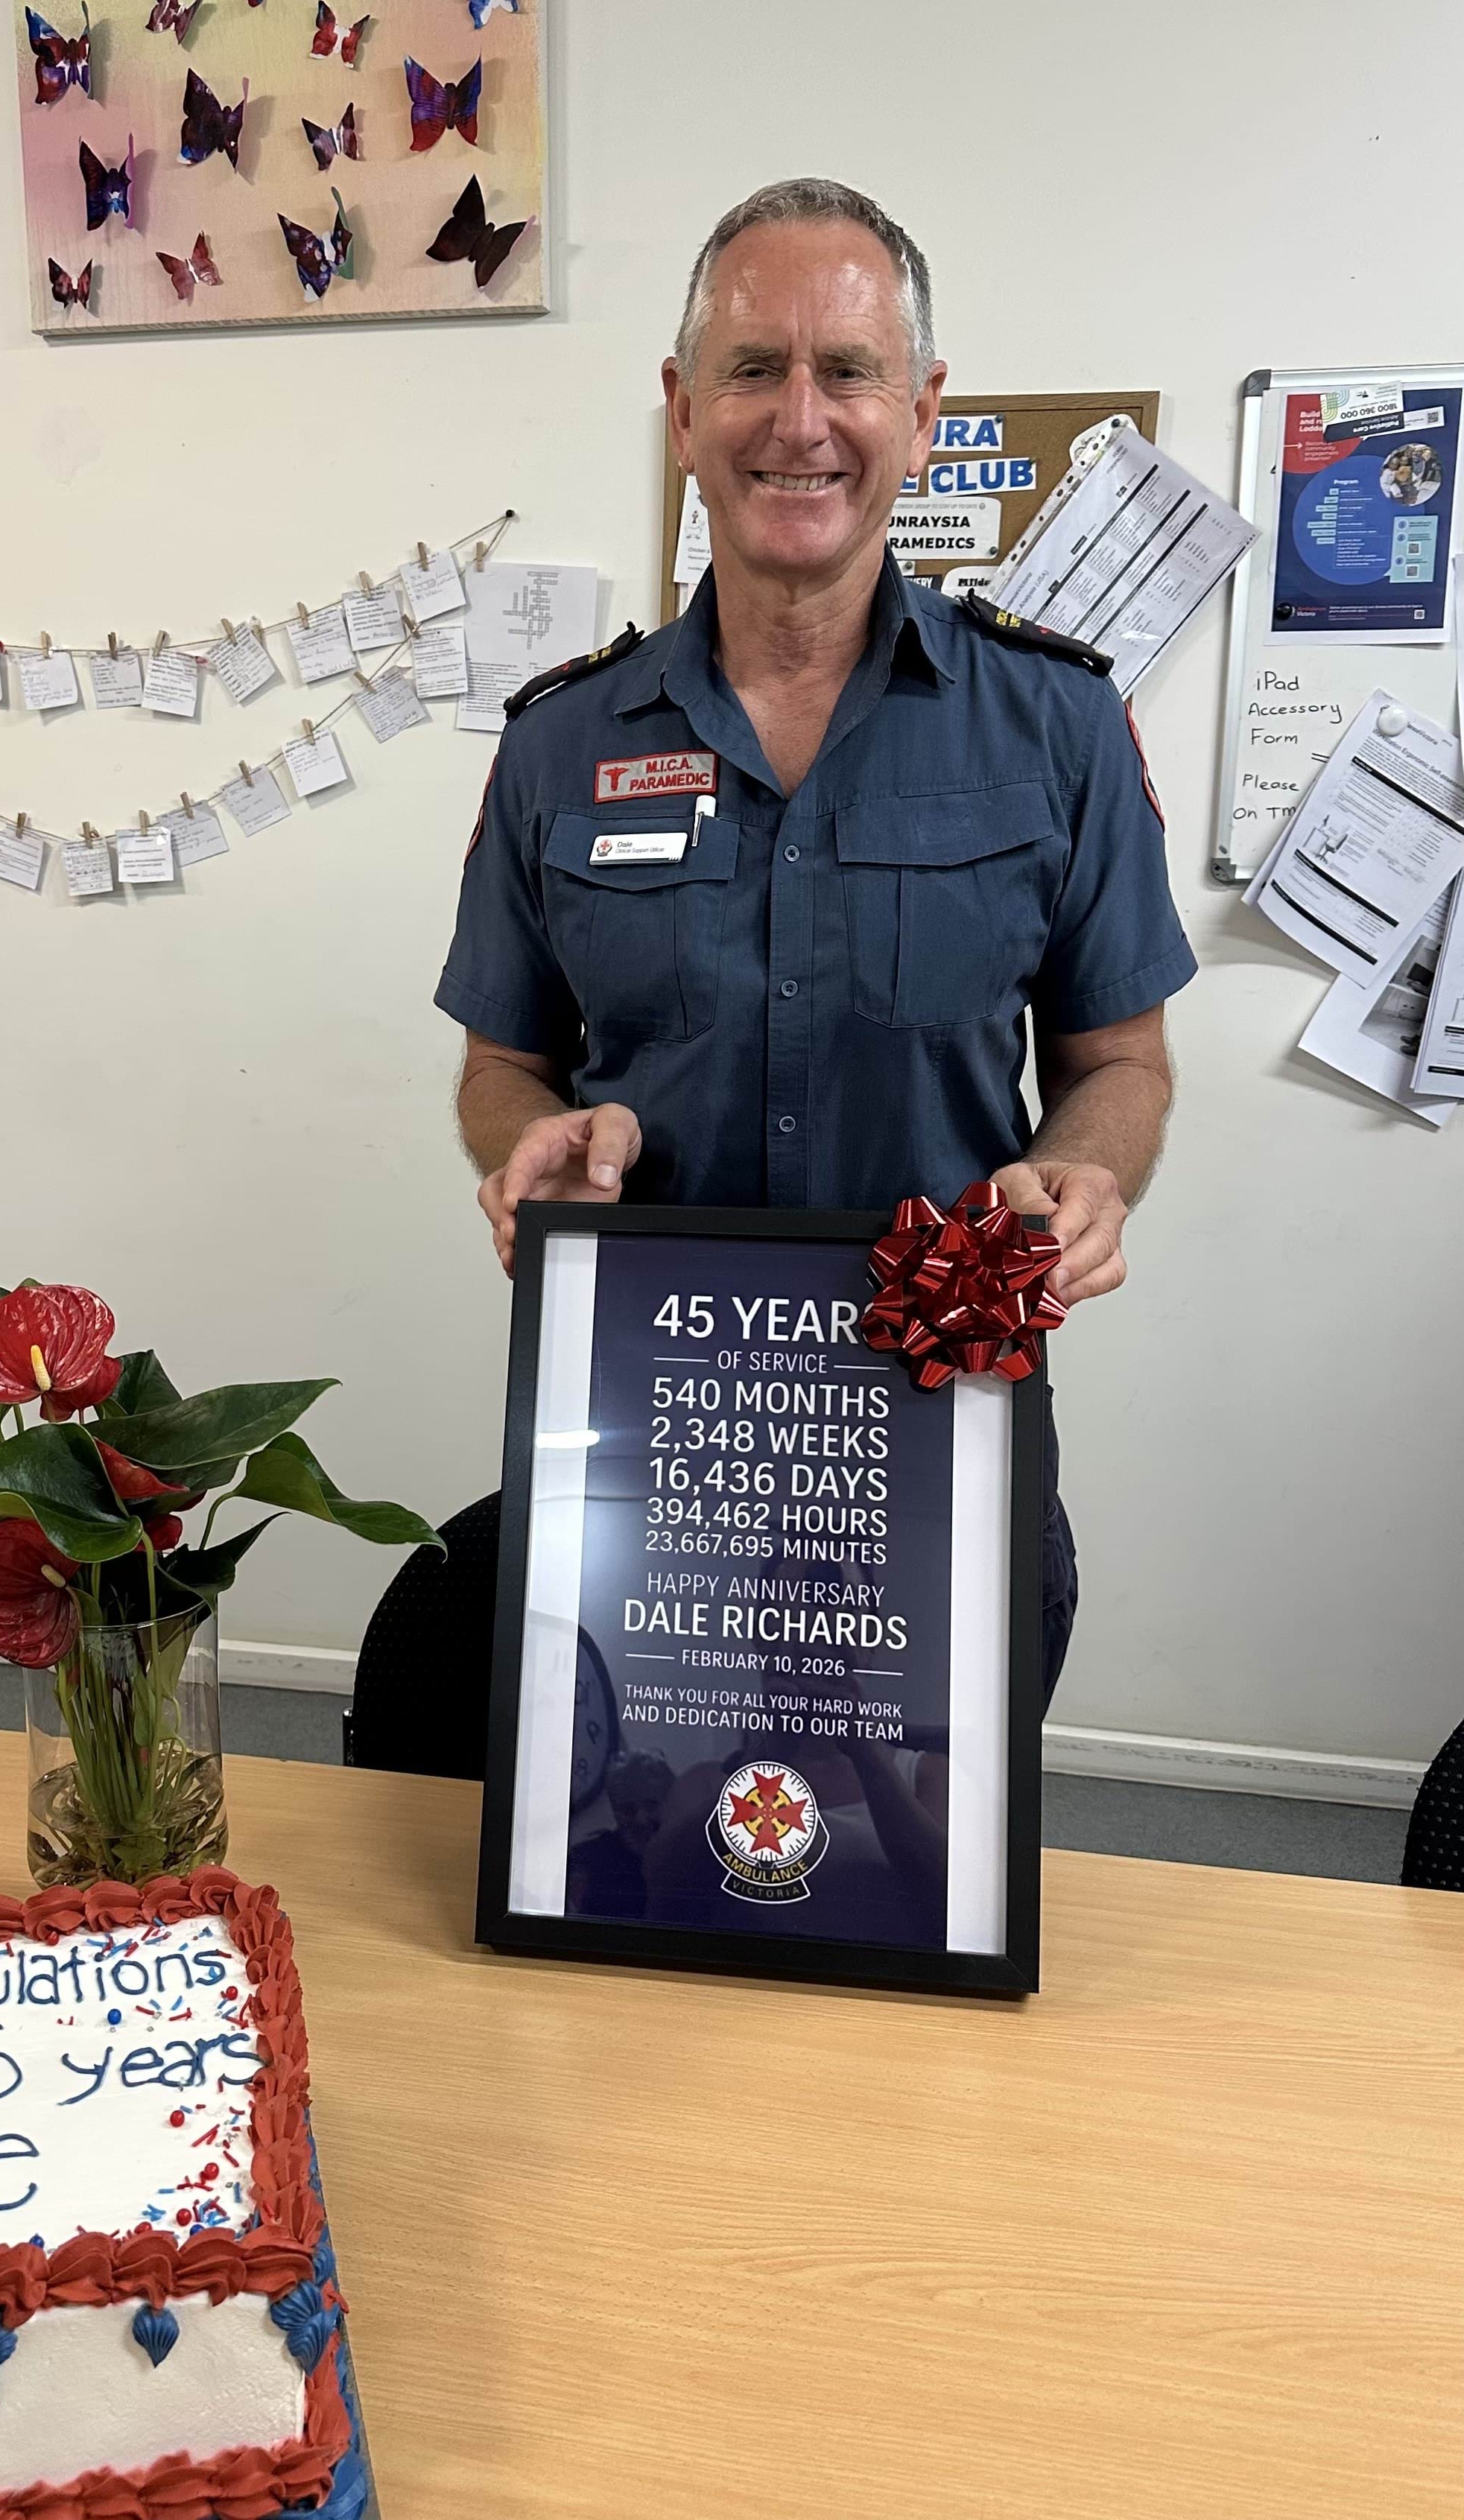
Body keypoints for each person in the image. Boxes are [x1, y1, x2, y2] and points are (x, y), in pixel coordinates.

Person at [425, 177, 1196, 1753]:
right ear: (678, 407)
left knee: (910, 1883)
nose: (798, 418)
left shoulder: (1054, 727)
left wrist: (1079, 1176)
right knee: (632, 1851)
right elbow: (502, 1061)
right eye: (749, 367)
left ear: (918, 409)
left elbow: (1119, 1063)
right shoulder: (558, 743)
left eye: (844, 370)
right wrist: (529, 1144)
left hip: (940, 1424)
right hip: (651, 1440)